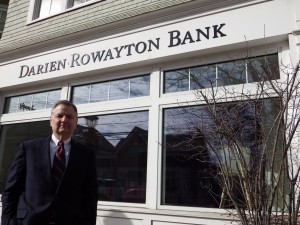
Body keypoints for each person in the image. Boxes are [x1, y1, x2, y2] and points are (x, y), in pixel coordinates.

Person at [1, 100, 98, 225]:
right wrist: (8, 221)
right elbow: (11, 190)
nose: (64, 120)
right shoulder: (28, 149)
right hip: (29, 221)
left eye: (69, 117)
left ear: (76, 122)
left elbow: (90, 196)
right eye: (59, 116)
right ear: (51, 121)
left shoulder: (86, 155)